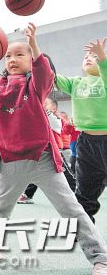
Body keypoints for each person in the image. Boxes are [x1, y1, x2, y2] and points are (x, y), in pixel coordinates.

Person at [0, 25, 107, 275]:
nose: (12, 60)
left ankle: (100, 259)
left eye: (19, 55)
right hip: (10, 161)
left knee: (72, 210)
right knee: (1, 209)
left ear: (31, 60)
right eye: (8, 56)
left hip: (42, 159)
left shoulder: (37, 85)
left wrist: (34, 45)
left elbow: (45, 72)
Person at [55, 37, 107, 223]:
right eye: (86, 56)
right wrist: (34, 52)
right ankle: (84, 230)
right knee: (84, 193)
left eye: (93, 56)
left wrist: (102, 58)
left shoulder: (105, 80)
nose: (88, 58)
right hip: (86, 143)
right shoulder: (76, 83)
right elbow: (51, 76)